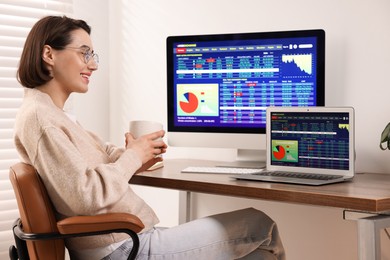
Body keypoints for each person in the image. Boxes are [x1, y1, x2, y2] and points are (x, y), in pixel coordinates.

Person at [14, 15, 286, 260]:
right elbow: (85, 196)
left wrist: (136, 154)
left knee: (257, 255)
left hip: (121, 241)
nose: (93, 65)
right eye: (84, 54)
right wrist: (133, 156)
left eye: (93, 55)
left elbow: (99, 156)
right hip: (120, 247)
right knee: (260, 225)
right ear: (49, 54)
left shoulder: (54, 114)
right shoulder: (42, 119)